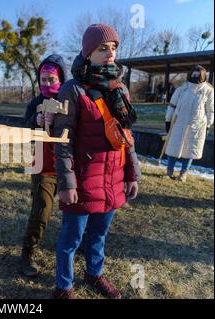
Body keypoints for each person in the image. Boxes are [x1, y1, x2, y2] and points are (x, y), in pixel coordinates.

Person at [51, 24, 141, 299]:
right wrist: (67, 183)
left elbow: (126, 136)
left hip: (113, 179)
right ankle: (63, 288)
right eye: (103, 48)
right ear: (88, 53)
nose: (110, 53)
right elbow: (63, 141)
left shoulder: (120, 89)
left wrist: (132, 173)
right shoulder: (72, 90)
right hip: (82, 180)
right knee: (70, 240)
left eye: (113, 47)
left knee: (99, 235)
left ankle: (94, 274)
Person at [21, 54, 67, 277]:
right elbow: (25, 132)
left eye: (52, 79)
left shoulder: (71, 99)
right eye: (43, 80)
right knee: (41, 212)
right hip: (43, 166)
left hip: (70, 167)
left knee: (76, 215)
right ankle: (27, 253)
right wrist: (35, 123)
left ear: (62, 78)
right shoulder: (35, 103)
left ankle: (78, 247)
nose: (47, 84)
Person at [164, 65, 214, 181]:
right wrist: (168, 120)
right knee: (173, 148)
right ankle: (169, 171)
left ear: (203, 75)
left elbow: (211, 110)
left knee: (191, 150)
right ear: (190, 74)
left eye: (198, 74)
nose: (195, 76)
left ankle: (183, 174)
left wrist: (208, 125)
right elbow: (172, 105)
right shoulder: (182, 88)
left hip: (197, 125)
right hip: (179, 123)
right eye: (194, 74)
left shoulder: (208, 91)